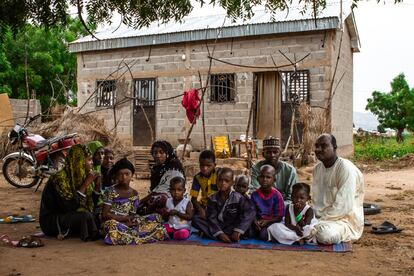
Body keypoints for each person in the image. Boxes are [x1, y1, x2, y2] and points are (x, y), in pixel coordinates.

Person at [39, 144, 101, 241]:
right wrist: (85, 185)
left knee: (99, 213)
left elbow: (91, 205)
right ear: (78, 161)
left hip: (70, 216)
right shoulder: (59, 179)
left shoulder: (82, 175)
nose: (92, 163)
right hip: (53, 220)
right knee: (85, 216)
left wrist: (97, 187)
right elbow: (68, 207)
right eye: (89, 160)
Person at [312, 134, 364, 244]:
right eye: (316, 146)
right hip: (319, 219)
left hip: (342, 220)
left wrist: (318, 222)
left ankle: (311, 232)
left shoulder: (345, 169)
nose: (318, 149)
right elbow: (316, 201)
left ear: (335, 148)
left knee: (324, 235)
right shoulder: (317, 169)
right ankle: (310, 232)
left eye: (324, 146)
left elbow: (343, 206)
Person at [101, 158, 167, 245]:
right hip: (114, 222)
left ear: (132, 174)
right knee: (111, 225)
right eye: (120, 174)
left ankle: (128, 236)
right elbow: (105, 215)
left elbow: (132, 214)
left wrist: (131, 222)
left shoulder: (134, 193)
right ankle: (141, 236)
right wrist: (124, 221)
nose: (124, 177)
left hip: (128, 223)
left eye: (127, 174)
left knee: (156, 217)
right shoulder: (110, 191)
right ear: (116, 176)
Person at [192, 168, 255, 243]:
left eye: (226, 181)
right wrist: (220, 234)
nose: (223, 183)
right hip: (219, 226)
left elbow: (249, 213)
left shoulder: (239, 198)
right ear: (216, 181)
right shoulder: (212, 198)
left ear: (232, 183)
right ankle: (221, 236)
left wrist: (237, 231)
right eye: (220, 180)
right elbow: (212, 219)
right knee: (196, 219)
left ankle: (214, 234)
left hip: (233, 226)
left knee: (249, 226)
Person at [138, 140, 185, 215]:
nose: (158, 155)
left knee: (160, 199)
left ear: (167, 153)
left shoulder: (173, 166)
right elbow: (154, 191)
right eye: (155, 152)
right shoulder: (158, 168)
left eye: (161, 152)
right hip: (160, 198)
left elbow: (159, 191)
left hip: (175, 200)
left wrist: (140, 201)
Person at [249, 136, 298, 203]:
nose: (272, 155)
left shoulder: (290, 171)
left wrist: (278, 206)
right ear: (263, 154)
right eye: (268, 152)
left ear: (280, 153)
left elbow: (292, 196)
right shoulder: (256, 168)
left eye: (275, 152)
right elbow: (254, 191)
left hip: (284, 206)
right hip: (262, 204)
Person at [250, 165, 284, 240]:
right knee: (249, 232)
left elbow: (279, 216)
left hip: (272, 223)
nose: (264, 179)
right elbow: (252, 212)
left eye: (268, 177)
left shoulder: (277, 195)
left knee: (264, 235)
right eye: (262, 177)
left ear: (274, 180)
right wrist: (255, 221)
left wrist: (267, 221)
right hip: (259, 222)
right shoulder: (254, 195)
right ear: (258, 178)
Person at [190, 150, 218, 219]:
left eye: (208, 165)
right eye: (202, 165)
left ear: (214, 165)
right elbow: (193, 199)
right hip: (204, 205)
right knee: (193, 217)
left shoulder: (219, 175)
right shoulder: (197, 178)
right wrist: (200, 210)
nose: (205, 168)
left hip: (218, 205)